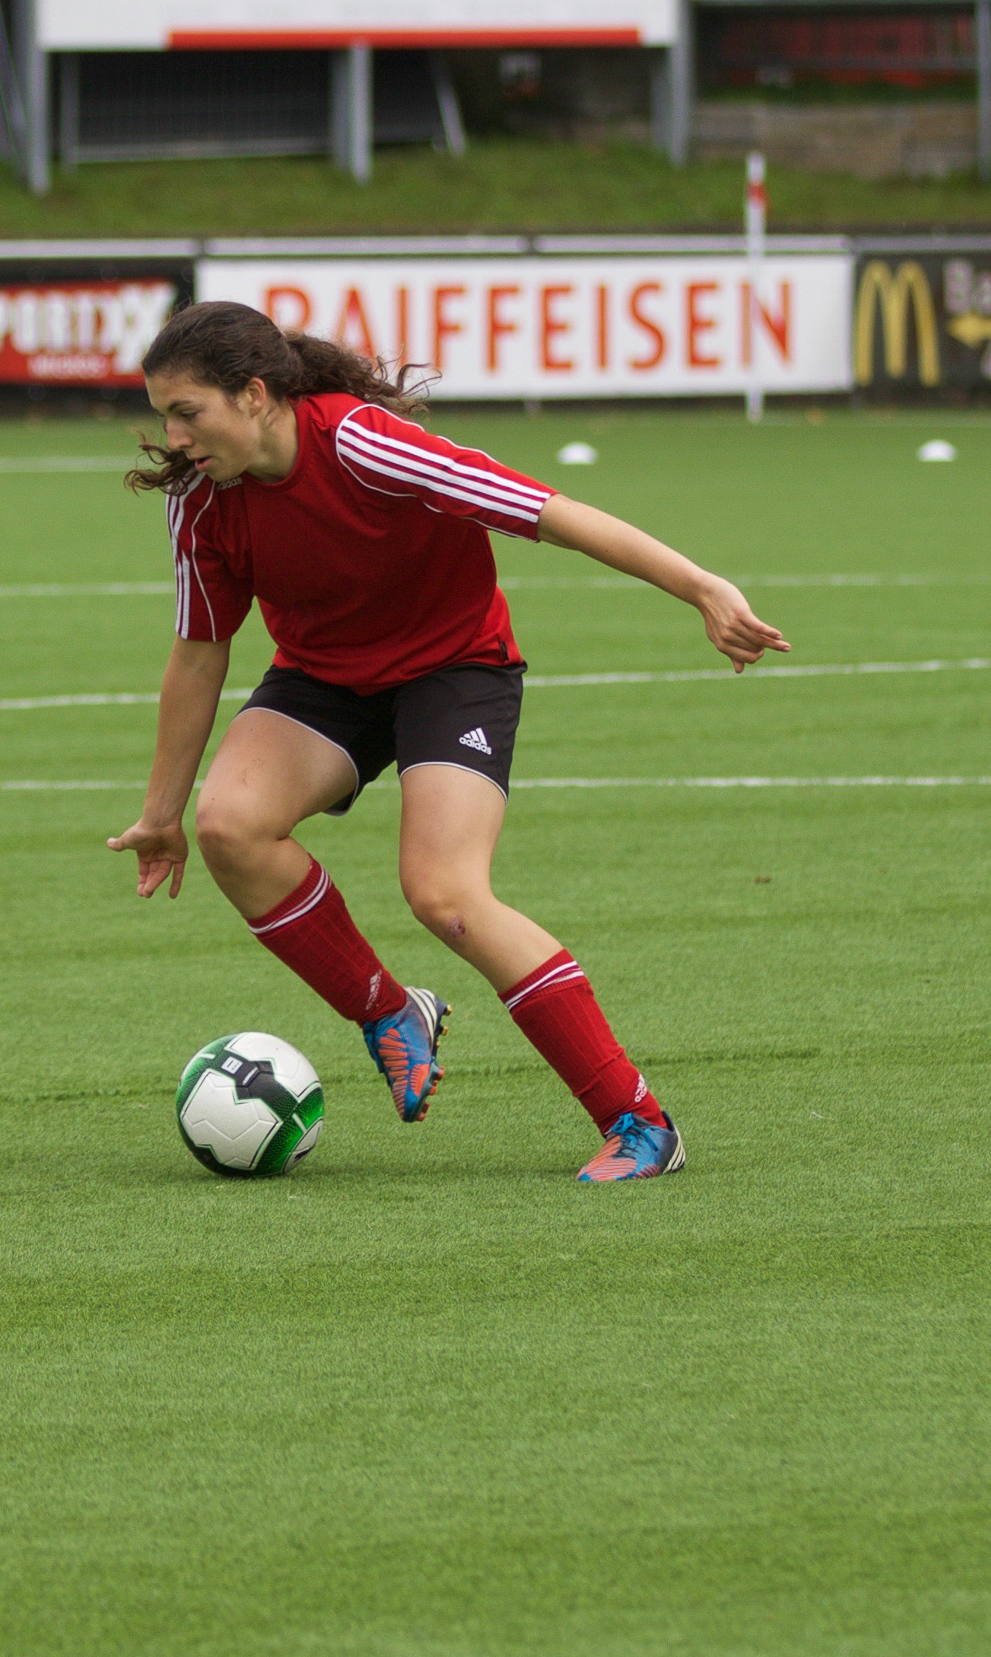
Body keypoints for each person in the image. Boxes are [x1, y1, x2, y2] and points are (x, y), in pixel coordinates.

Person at [107, 302, 790, 1182]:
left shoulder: (365, 445)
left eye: (187, 412)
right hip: (325, 678)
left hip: (454, 669)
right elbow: (200, 653)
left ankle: (640, 1123)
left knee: (446, 896)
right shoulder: (201, 499)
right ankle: (390, 1012)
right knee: (229, 826)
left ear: (256, 394)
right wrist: (161, 814)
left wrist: (703, 588)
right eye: (163, 415)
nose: (173, 437)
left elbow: (551, 513)